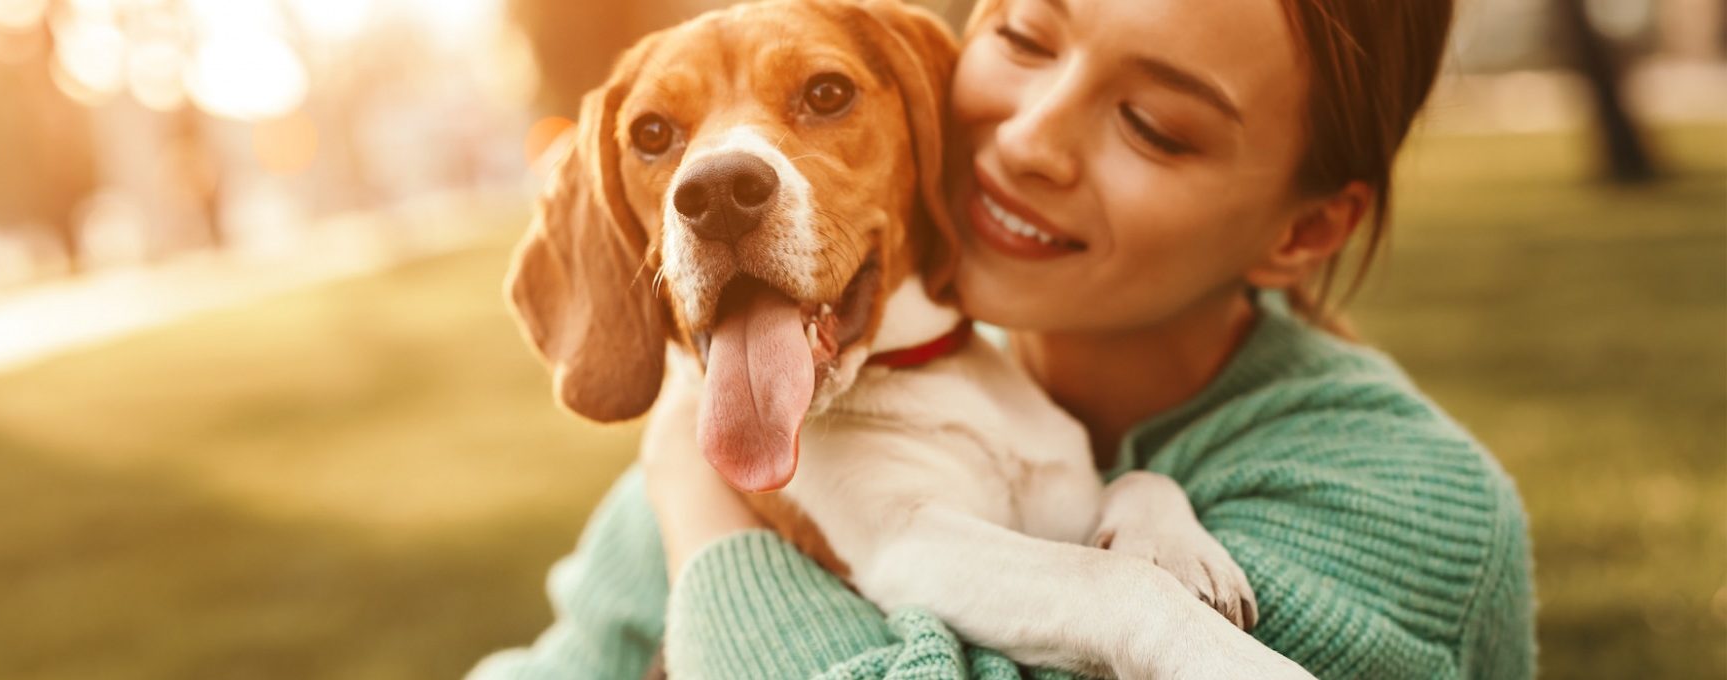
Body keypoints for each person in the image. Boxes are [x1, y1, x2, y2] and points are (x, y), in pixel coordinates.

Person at [469, 0, 1536, 677]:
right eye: (1025, 38)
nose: (1026, 142)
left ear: (1304, 229)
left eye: (1155, 124)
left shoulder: (1399, 509)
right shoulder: (795, 384)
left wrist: (704, 516)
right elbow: (574, 652)